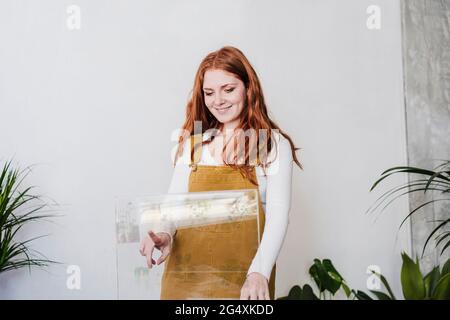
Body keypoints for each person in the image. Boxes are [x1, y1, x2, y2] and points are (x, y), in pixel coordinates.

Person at [139, 46, 302, 300]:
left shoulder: (272, 145)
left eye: (229, 89)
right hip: (184, 281)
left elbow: (279, 216)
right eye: (209, 92)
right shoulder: (192, 145)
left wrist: (259, 273)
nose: (218, 100)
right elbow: (173, 207)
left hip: (245, 284)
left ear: (249, 88)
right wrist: (164, 234)